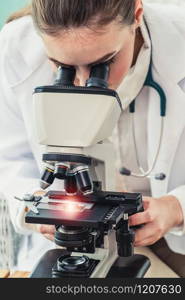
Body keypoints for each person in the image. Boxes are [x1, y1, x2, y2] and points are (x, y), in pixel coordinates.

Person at [0, 0, 185, 276]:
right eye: (62, 66)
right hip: (75, 232)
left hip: (174, 234)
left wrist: (177, 207)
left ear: (136, 15)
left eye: (103, 64)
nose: (85, 82)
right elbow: (10, 157)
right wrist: (37, 204)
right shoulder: (15, 46)